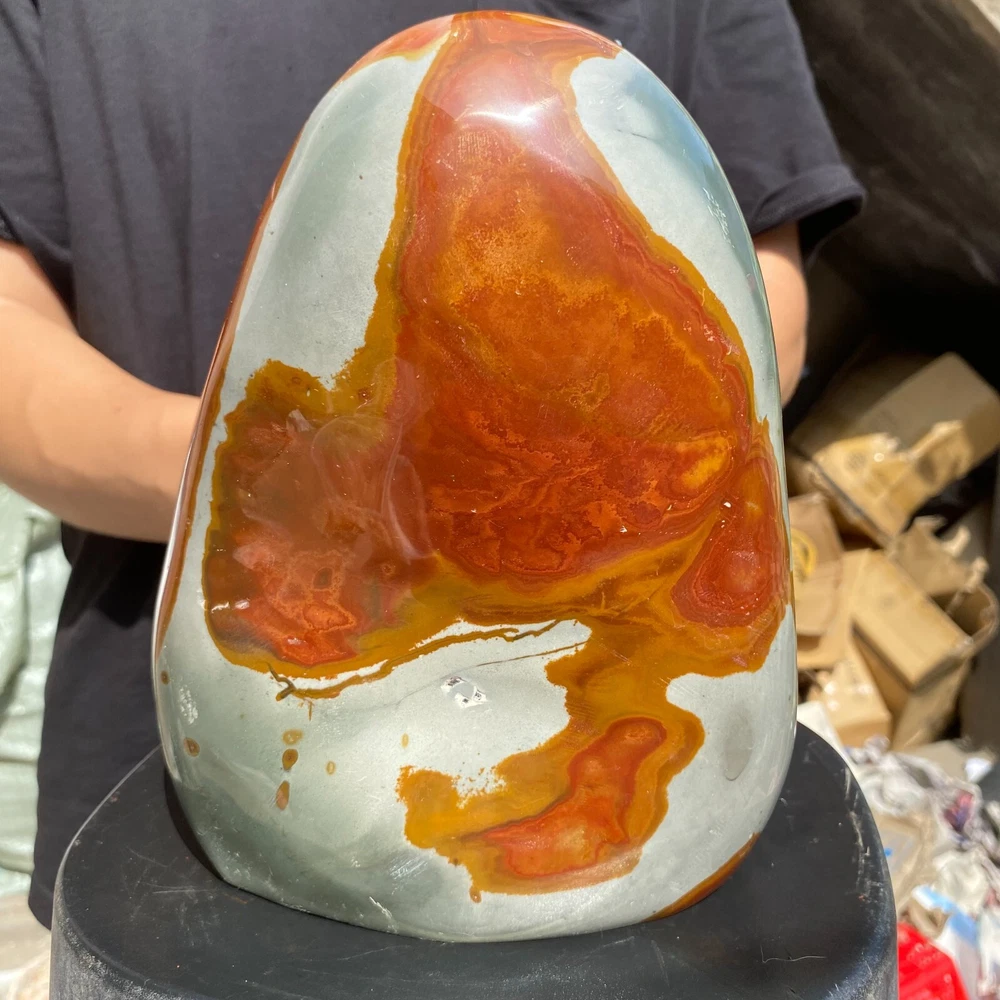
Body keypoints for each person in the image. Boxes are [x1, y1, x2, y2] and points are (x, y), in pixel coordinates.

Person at [0, 0, 862, 928]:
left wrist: (525, 482)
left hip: (656, 719)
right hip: (206, 750)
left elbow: (767, 305)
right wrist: (296, 493)